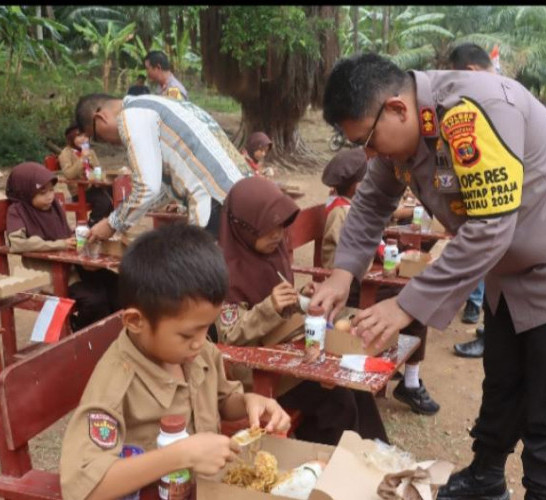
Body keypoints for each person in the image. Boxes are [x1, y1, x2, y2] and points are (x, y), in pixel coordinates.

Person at [312, 52, 546, 500]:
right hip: (511, 276)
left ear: (398, 109)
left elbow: (490, 228)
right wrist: (343, 273)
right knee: (503, 382)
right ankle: (485, 477)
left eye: (368, 140)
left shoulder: (472, 112)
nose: (370, 155)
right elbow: (369, 203)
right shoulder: (399, 134)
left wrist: (405, 304)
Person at [59, 223, 291, 500]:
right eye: (187, 333)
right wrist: (179, 455)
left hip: (207, 488)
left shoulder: (198, 351)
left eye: (207, 328)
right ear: (135, 321)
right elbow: (83, 487)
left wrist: (249, 403)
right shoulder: (116, 382)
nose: (200, 341)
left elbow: (221, 400)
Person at [215, 176, 389, 444]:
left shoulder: (269, 254)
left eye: (282, 226)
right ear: (244, 226)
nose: (278, 235)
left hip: (284, 351)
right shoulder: (223, 272)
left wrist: (298, 298)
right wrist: (270, 306)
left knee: (354, 385)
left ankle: (376, 454)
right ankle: (333, 469)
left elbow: (278, 306)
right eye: (268, 228)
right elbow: (230, 335)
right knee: (335, 400)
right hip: (256, 369)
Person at [321, 147, 439, 415]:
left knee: (411, 295)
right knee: (411, 301)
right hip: (349, 288)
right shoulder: (342, 213)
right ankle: (409, 381)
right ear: (357, 185)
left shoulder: (346, 205)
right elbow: (353, 255)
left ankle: (406, 374)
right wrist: (394, 259)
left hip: (362, 278)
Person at [73, 92, 252, 242]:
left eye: (98, 138)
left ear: (100, 117)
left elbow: (147, 187)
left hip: (216, 203)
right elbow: (160, 186)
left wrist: (112, 224)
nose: (108, 144)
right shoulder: (160, 104)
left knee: (200, 276)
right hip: (248, 193)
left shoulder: (132, 115)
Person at [5, 162, 119, 330]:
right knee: (95, 299)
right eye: (42, 193)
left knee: (117, 284)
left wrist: (81, 237)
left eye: (51, 190)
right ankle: (81, 334)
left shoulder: (54, 207)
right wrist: (60, 244)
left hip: (70, 265)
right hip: (48, 273)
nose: (50, 196)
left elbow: (65, 233)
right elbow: (17, 243)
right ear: (26, 192)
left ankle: (110, 334)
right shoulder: (18, 210)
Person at [448, 42, 498, 358]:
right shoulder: (505, 94)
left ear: (469, 72)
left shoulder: (490, 103)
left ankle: (489, 334)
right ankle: (490, 332)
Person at [57, 123, 114, 227]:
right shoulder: (65, 154)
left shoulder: (90, 152)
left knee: (114, 192)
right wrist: (82, 159)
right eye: (79, 136)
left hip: (93, 186)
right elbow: (69, 174)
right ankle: (91, 225)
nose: (84, 139)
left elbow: (98, 169)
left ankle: (105, 225)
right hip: (80, 191)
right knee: (103, 201)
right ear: (71, 137)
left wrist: (98, 177)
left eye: (86, 136)